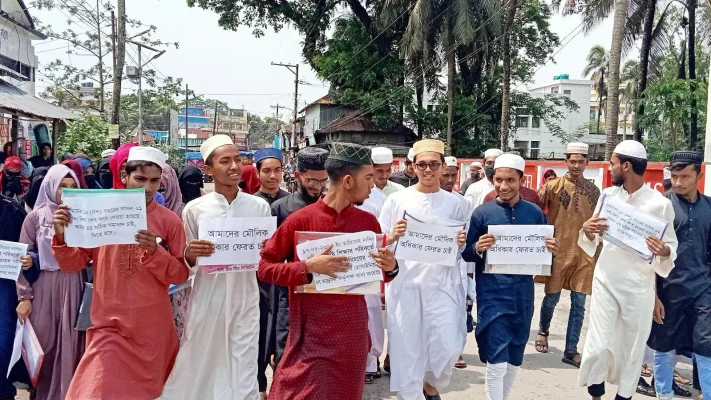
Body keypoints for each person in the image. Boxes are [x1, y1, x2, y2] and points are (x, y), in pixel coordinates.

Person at [259, 142, 398, 400]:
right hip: (310, 336)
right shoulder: (300, 220)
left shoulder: (367, 223)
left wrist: (391, 267)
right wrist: (306, 268)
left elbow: (379, 273)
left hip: (352, 336)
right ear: (347, 180)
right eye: (368, 177)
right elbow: (265, 268)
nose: (372, 184)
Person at [51, 146, 190, 399]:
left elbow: (181, 274)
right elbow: (72, 264)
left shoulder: (170, 221)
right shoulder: (100, 210)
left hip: (151, 328)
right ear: (125, 176)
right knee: (95, 390)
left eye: (154, 181)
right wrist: (61, 237)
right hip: (108, 323)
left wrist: (156, 253)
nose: (148, 187)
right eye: (141, 179)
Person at [160, 135, 271, 400]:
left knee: (244, 359)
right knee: (202, 356)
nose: (234, 166)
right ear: (209, 169)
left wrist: (265, 252)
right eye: (225, 161)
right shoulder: (195, 210)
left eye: (238, 160)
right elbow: (186, 264)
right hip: (209, 297)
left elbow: (266, 257)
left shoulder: (259, 207)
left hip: (246, 297)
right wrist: (191, 255)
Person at [578, 140, 678, 400]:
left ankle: (624, 396)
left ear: (626, 165)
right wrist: (588, 230)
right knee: (598, 345)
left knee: (633, 348)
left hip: (639, 286)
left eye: (612, 163)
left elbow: (671, 247)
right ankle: (595, 394)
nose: (609, 168)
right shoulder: (609, 197)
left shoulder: (659, 204)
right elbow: (592, 237)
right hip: (606, 279)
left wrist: (663, 250)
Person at [462, 153, 560, 400]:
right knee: (496, 357)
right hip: (492, 293)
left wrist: (551, 251)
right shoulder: (482, 214)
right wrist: (478, 248)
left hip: (522, 294)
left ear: (521, 180)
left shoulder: (535, 213)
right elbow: (466, 254)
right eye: (498, 180)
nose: (503, 186)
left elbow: (542, 256)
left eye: (510, 180)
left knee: (515, 355)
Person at [379, 139, 468, 400]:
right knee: (407, 350)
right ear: (412, 166)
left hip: (443, 287)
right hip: (406, 286)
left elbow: (462, 250)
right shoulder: (397, 200)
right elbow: (381, 242)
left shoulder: (459, 205)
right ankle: (412, 395)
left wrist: (461, 243)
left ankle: (430, 384)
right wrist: (392, 236)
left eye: (433, 165)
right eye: (422, 165)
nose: (428, 170)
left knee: (448, 347)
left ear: (443, 167)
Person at [16, 164, 85, 400]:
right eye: (62, 187)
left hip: (73, 284)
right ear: (49, 187)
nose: (67, 192)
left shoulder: (83, 216)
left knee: (72, 344)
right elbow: (22, 257)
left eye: (73, 187)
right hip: (43, 287)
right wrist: (25, 297)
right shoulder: (35, 218)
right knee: (44, 346)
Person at [649, 150, 711, 400]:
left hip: (702, 291)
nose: (678, 183)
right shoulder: (660, 207)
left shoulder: (709, 208)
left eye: (685, 176)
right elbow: (648, 257)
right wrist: (653, 296)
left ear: (700, 174)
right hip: (667, 291)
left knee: (706, 347)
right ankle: (664, 394)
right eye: (675, 176)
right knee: (664, 346)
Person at [534, 143, 600, 367]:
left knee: (579, 303)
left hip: (584, 253)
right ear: (566, 161)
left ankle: (571, 349)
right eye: (573, 161)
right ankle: (543, 331)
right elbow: (534, 212)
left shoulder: (594, 191)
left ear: (587, 163)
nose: (576, 165)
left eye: (581, 161)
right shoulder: (552, 187)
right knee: (551, 298)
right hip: (558, 251)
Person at [269, 146, 329, 368]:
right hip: (289, 293)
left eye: (323, 181)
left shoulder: (331, 206)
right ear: (298, 175)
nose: (318, 187)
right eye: (312, 180)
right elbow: (271, 259)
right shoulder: (280, 208)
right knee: (286, 354)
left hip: (324, 291)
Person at [359, 146, 403, 381]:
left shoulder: (400, 192)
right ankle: (369, 361)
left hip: (392, 258)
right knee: (369, 310)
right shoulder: (363, 195)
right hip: (367, 259)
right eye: (378, 171)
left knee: (392, 313)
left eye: (388, 170)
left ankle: (391, 357)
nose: (384, 176)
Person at [251, 147, 289, 397]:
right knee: (260, 330)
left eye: (277, 170)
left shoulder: (290, 204)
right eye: (267, 171)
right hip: (259, 280)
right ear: (257, 173)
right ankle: (259, 385)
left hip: (285, 279)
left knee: (282, 331)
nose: (272, 176)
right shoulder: (251, 205)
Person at [441, 156, 474, 370]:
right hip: (429, 268)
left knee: (457, 310)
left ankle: (457, 352)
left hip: (457, 266)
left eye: (454, 175)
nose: (451, 179)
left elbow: (469, 238)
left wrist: (469, 271)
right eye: (447, 175)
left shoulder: (463, 203)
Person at [0, 193, 34, 400]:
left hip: (4, 282)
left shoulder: (10, 210)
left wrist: (30, 260)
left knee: (3, 342)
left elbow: (27, 248)